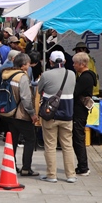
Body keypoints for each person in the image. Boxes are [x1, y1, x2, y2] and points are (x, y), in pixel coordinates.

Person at [37, 50, 77, 183]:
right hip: (67, 114)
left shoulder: (46, 75)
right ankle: (71, 175)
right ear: (64, 61)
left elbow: (39, 90)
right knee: (67, 145)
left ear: (50, 61)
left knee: (50, 146)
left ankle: (51, 175)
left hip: (50, 115)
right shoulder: (72, 74)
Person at [0, 53, 39, 177]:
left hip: (8, 113)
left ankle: (11, 165)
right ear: (23, 66)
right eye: (28, 64)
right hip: (20, 114)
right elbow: (26, 98)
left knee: (13, 141)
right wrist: (32, 114)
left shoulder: (6, 74)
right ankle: (26, 168)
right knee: (30, 139)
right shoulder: (22, 77)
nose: (29, 66)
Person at [72, 51, 96, 176]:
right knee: (77, 137)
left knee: (78, 138)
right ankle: (81, 165)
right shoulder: (87, 75)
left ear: (82, 64)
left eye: (75, 63)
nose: (74, 65)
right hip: (80, 110)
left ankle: (83, 166)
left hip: (79, 111)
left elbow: (74, 92)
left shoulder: (85, 77)